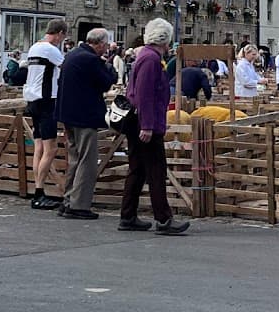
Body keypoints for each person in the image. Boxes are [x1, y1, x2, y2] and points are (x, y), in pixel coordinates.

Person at [118, 18, 190, 235]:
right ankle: (164, 219)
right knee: (156, 171)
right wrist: (148, 126)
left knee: (138, 170)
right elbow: (144, 95)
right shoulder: (150, 60)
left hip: (140, 122)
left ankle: (128, 215)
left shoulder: (145, 57)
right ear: (164, 40)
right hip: (146, 124)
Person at [55, 28, 116, 220]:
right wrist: (108, 66)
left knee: (74, 158)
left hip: (68, 114)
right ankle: (79, 204)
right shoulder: (90, 60)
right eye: (105, 45)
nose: (105, 49)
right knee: (87, 161)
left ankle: (68, 200)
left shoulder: (73, 55)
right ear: (99, 43)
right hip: (84, 116)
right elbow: (107, 82)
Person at [23, 19, 67, 210]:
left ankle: (38, 190)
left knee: (39, 147)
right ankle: (39, 193)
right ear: (59, 33)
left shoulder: (34, 47)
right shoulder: (51, 50)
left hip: (32, 99)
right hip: (47, 100)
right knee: (51, 149)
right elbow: (66, 68)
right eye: (63, 37)